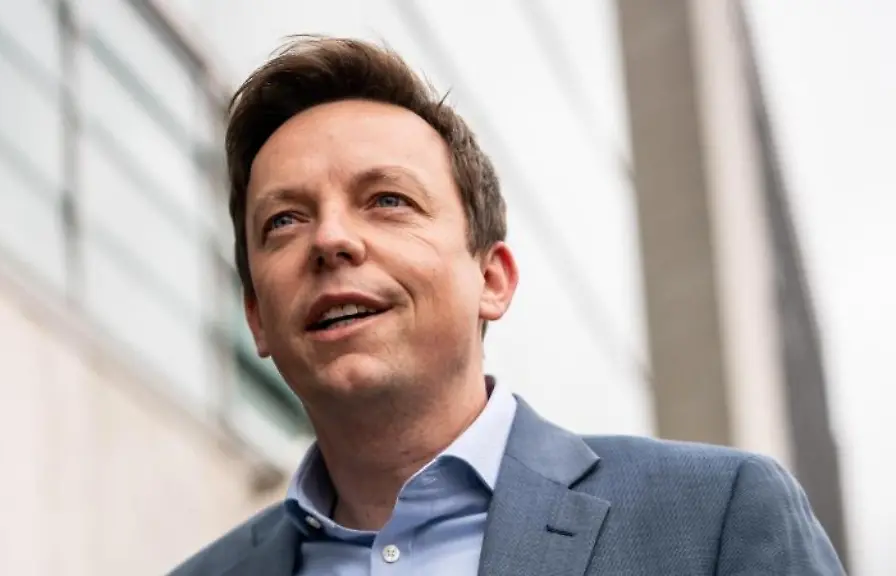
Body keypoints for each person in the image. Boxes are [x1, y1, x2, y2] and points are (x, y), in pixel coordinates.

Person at [171, 36, 844, 576]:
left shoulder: (717, 519)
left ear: (492, 279)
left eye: (387, 200)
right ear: (256, 317)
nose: (331, 240)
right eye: (285, 220)